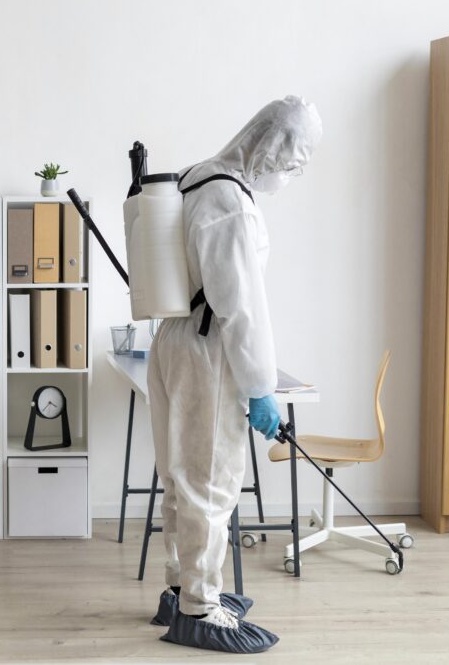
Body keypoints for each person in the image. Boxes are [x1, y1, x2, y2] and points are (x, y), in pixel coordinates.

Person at [146, 96, 322, 654]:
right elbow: (241, 305)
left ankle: (180, 588)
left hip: (171, 340)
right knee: (210, 481)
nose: (295, 172)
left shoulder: (197, 178)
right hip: (208, 350)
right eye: (296, 159)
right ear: (271, 144)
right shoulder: (231, 201)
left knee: (179, 478)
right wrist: (261, 388)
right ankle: (200, 606)